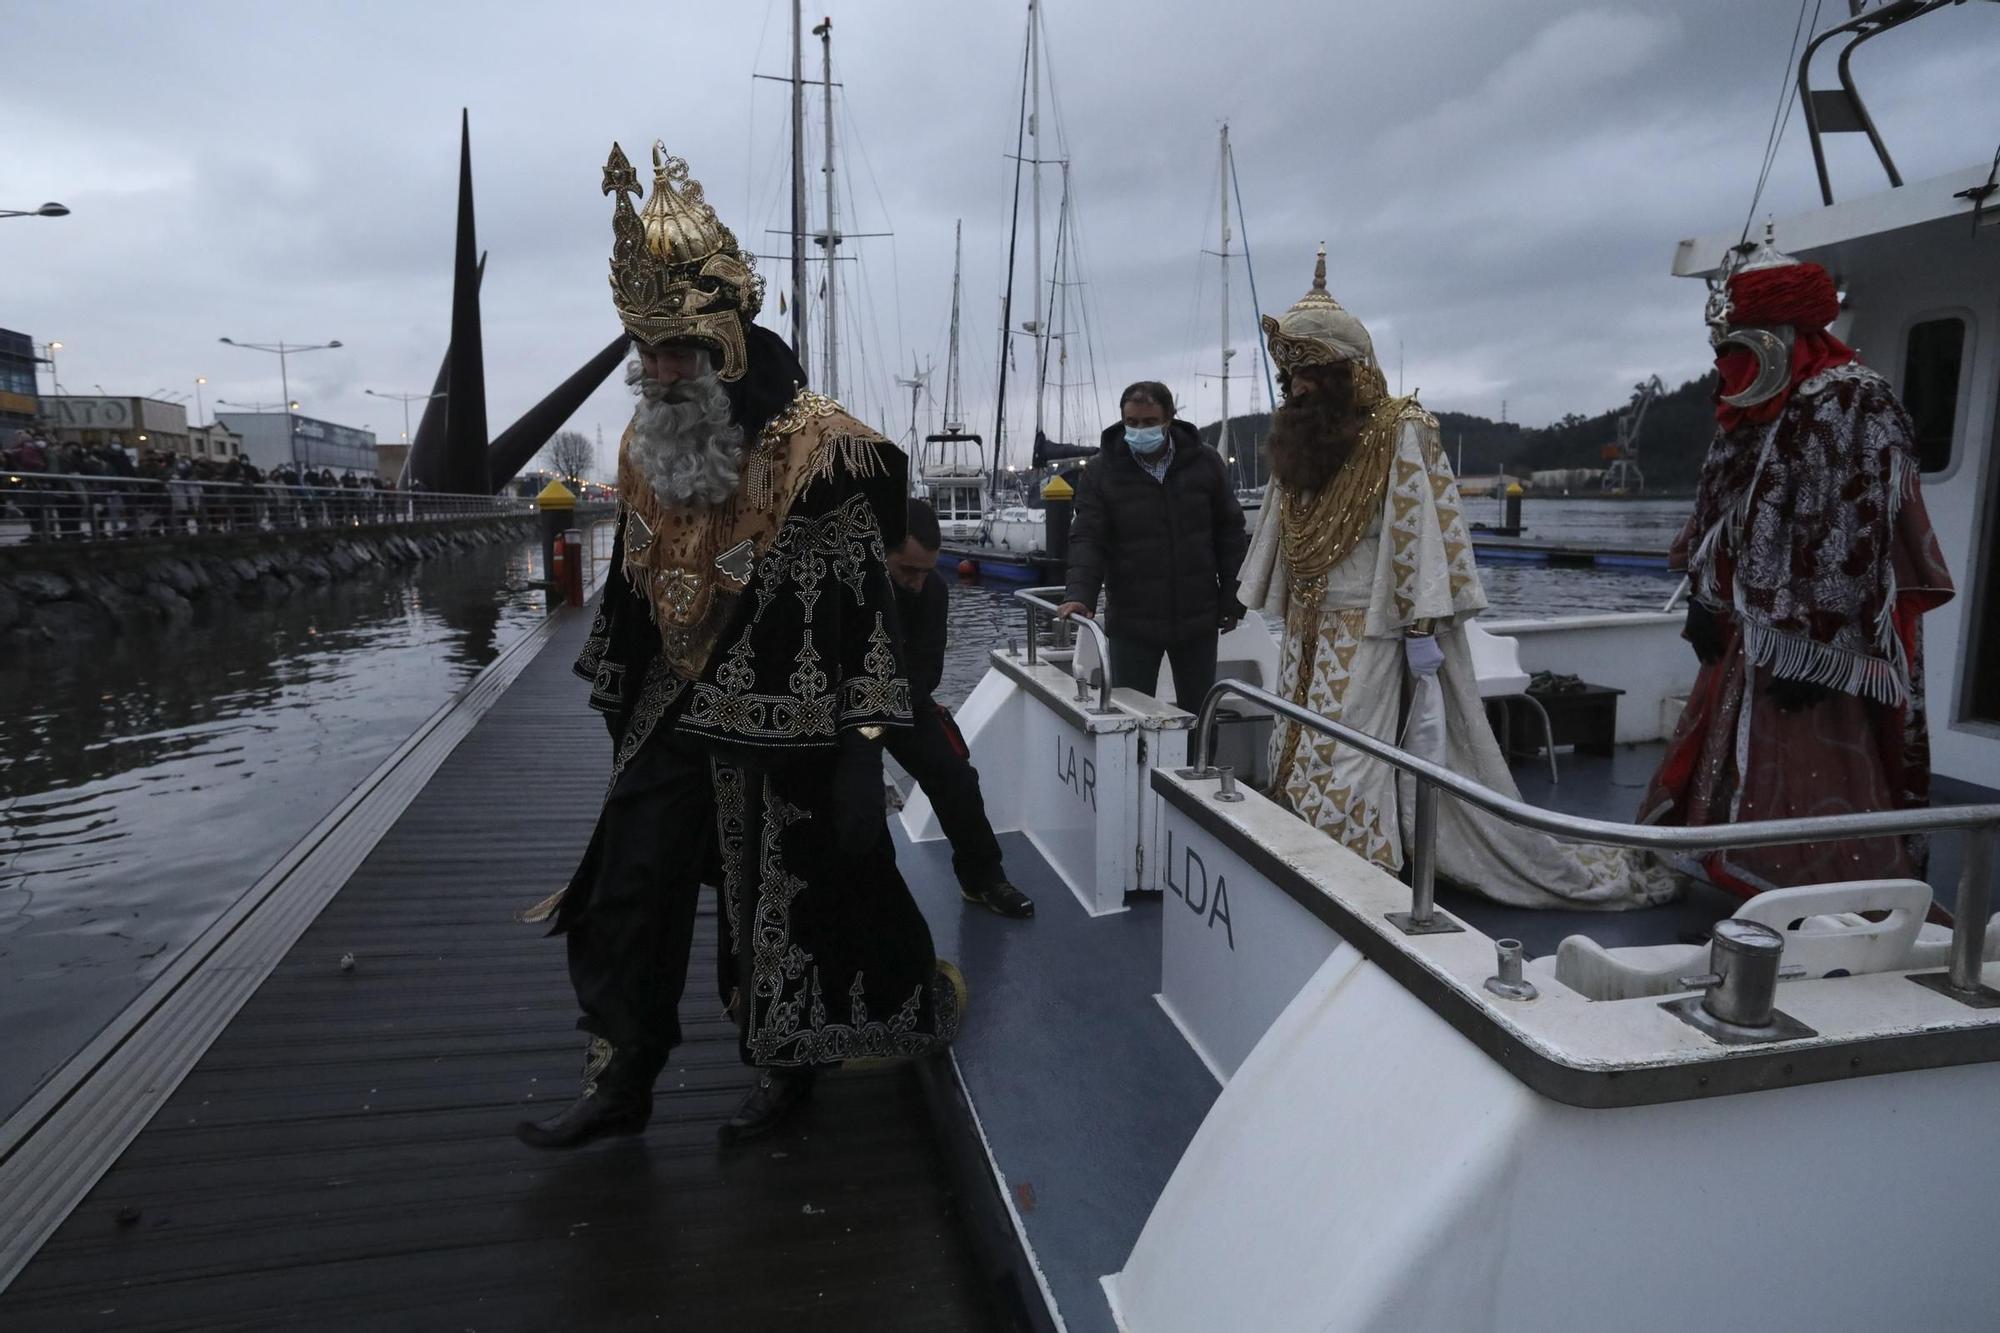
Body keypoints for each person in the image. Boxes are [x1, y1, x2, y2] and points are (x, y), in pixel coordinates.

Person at [516, 140, 959, 1151]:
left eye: (680, 351)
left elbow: (864, 608)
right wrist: (620, 694)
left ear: (728, 340)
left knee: (784, 900)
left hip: (784, 714)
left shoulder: (821, 445)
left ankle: (785, 1066)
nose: (664, 373)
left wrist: (864, 744)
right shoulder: (642, 443)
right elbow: (638, 576)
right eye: (650, 354)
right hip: (673, 703)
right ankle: (623, 1072)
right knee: (629, 884)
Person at [1237, 245, 1673, 910]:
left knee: (1352, 753)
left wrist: (1419, 624)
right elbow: (1285, 525)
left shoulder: (1400, 427)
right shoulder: (1297, 437)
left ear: (1342, 369)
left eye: (1307, 374)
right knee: (1294, 738)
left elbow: (1421, 530)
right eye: (1288, 376)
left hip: (1371, 626)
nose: (1293, 388)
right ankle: (1297, 843)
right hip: (1306, 622)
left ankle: (1354, 870)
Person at [1637, 231, 1953, 894]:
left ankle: (1819, 888)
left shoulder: (1858, 401)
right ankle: (1723, 856)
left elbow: (1858, 534)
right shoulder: (1753, 399)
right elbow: (1720, 507)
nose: (1727, 361)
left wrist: (1823, 645)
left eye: (1741, 339)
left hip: (1818, 631)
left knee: (1815, 754)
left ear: (1779, 331)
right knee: (1727, 741)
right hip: (1747, 624)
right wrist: (1704, 595)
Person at [1057, 381, 1248, 712]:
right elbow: (1088, 537)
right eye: (1131, 423)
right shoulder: (1102, 471)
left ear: (1170, 418)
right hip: (1132, 621)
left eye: (1148, 422)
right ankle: (1134, 767)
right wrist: (1079, 594)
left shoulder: (1205, 463)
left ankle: (1203, 763)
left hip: (1198, 618)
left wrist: (1233, 598)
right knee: (1129, 712)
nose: (1139, 430)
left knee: (1201, 714)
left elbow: (1230, 535)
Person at [885, 498, 1034, 918]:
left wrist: (890, 709)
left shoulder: (932, 590)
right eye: (907, 570)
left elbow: (927, 667)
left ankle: (983, 877)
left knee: (956, 777)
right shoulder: (851, 585)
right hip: (842, 708)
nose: (916, 582)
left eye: (925, 571)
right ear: (882, 551)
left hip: (902, 700)